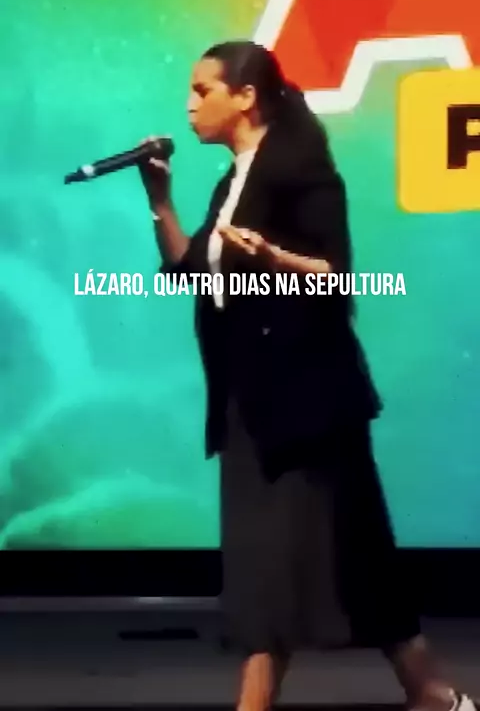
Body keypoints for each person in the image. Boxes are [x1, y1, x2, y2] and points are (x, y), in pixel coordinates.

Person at [138, 40, 475, 711]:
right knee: (322, 553)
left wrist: (271, 256)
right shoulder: (231, 181)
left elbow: (335, 275)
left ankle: (269, 703)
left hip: (307, 396)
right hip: (249, 397)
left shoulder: (301, 174)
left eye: (203, 90)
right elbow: (190, 271)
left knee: (318, 553)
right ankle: (427, 690)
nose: (189, 105)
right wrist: (161, 202)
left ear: (246, 97)